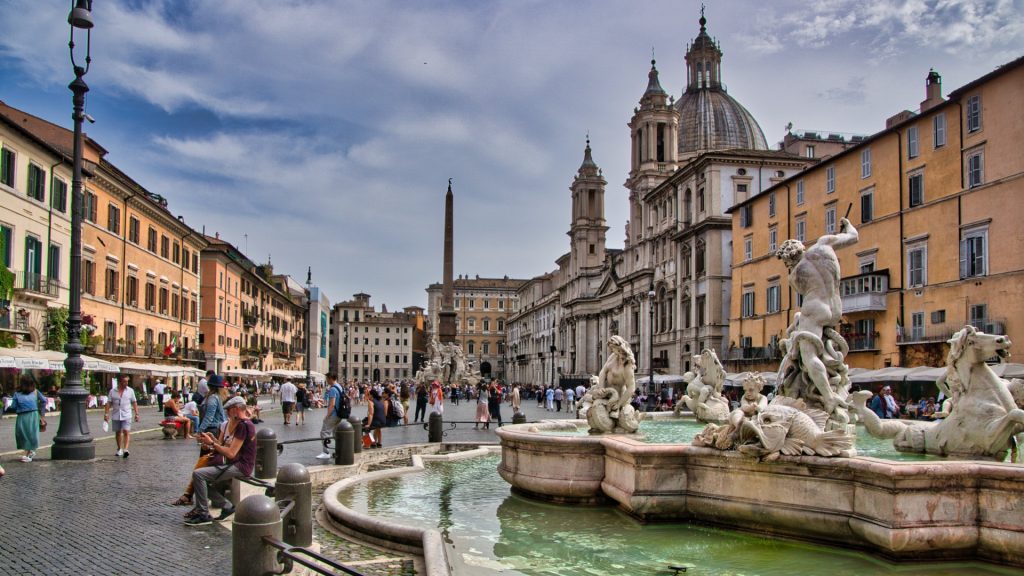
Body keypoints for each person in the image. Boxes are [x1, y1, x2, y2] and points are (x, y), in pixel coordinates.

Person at [776, 217, 859, 421]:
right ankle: (826, 388)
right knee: (797, 322)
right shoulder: (823, 244)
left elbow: (803, 289)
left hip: (814, 307)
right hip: (835, 307)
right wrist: (846, 225)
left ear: (789, 260)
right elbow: (853, 236)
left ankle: (829, 397)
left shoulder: (794, 275)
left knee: (808, 354)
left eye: (786, 262)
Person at [184, 396, 257, 526]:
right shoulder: (243, 424)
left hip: (240, 466)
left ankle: (203, 513)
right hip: (236, 463)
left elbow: (231, 453)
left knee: (198, 475)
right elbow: (228, 448)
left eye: (228, 410)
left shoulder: (243, 426)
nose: (226, 413)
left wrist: (212, 443)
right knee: (200, 478)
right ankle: (227, 506)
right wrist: (213, 441)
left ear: (235, 409)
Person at [104, 374, 139, 458]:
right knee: (118, 432)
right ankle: (119, 449)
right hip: (116, 414)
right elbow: (108, 403)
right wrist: (106, 414)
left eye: (127, 381)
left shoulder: (130, 391)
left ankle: (126, 449)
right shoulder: (112, 391)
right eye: (124, 381)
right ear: (120, 382)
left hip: (127, 414)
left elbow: (134, 402)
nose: (126, 383)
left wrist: (137, 413)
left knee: (126, 431)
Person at [13, 376, 47, 463]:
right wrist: (42, 413)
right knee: (31, 434)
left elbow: (13, 406)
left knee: (22, 434)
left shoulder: (17, 393)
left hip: (22, 415)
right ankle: (29, 452)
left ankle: (30, 453)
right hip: (33, 415)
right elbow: (44, 400)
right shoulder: (35, 392)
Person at [317, 373, 349, 459]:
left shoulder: (333, 389)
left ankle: (325, 452)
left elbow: (332, 404)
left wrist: (327, 416)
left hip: (334, 414)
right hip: (339, 414)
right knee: (335, 433)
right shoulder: (339, 386)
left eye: (327, 378)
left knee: (324, 432)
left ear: (331, 378)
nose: (326, 380)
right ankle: (341, 449)